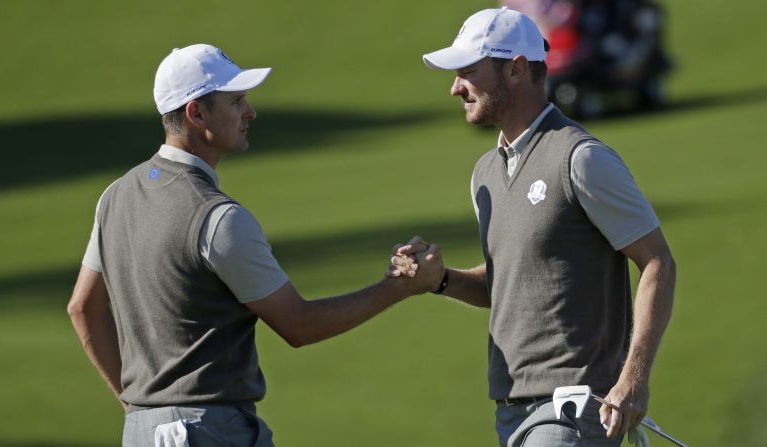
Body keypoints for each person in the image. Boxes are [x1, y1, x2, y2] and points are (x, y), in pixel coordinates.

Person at [66, 43, 441, 447]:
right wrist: (399, 286)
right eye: (236, 101)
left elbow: (82, 307)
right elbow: (300, 325)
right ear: (196, 113)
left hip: (141, 432)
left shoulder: (114, 197)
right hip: (208, 431)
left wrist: (136, 405)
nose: (251, 112)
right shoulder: (219, 219)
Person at [389, 7, 676, 446]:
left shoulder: (581, 158)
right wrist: (442, 280)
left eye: (467, 72)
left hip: (573, 411)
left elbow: (657, 261)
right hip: (511, 414)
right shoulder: (485, 173)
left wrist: (634, 378)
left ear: (516, 70)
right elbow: (512, 282)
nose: (454, 87)